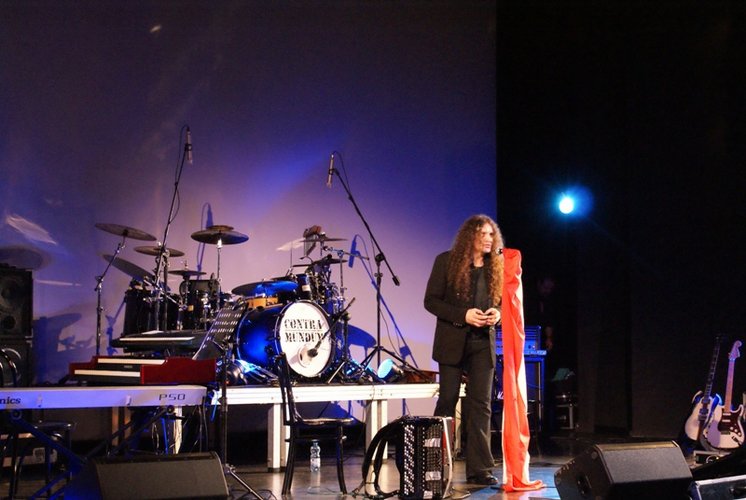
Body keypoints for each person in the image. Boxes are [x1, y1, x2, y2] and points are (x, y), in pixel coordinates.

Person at [424, 214, 503, 486]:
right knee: (447, 400)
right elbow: (431, 301)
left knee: (481, 404)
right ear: (470, 236)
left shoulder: (495, 266)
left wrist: (497, 314)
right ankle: (433, 464)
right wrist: (463, 315)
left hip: (482, 343)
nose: (489, 239)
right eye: (484, 234)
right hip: (453, 340)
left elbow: (504, 303)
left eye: (491, 234)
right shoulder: (445, 261)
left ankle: (479, 469)